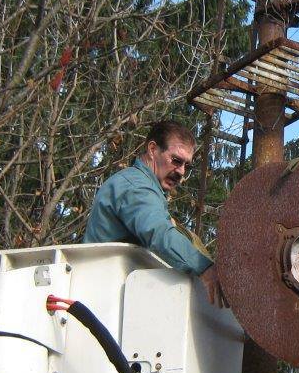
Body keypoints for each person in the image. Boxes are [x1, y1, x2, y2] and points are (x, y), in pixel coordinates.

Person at [84, 120, 225, 305]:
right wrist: (205, 268)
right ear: (152, 149)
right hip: (102, 298)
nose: (181, 171)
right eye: (176, 160)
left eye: (186, 165)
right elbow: (160, 234)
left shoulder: (145, 188)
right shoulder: (136, 187)